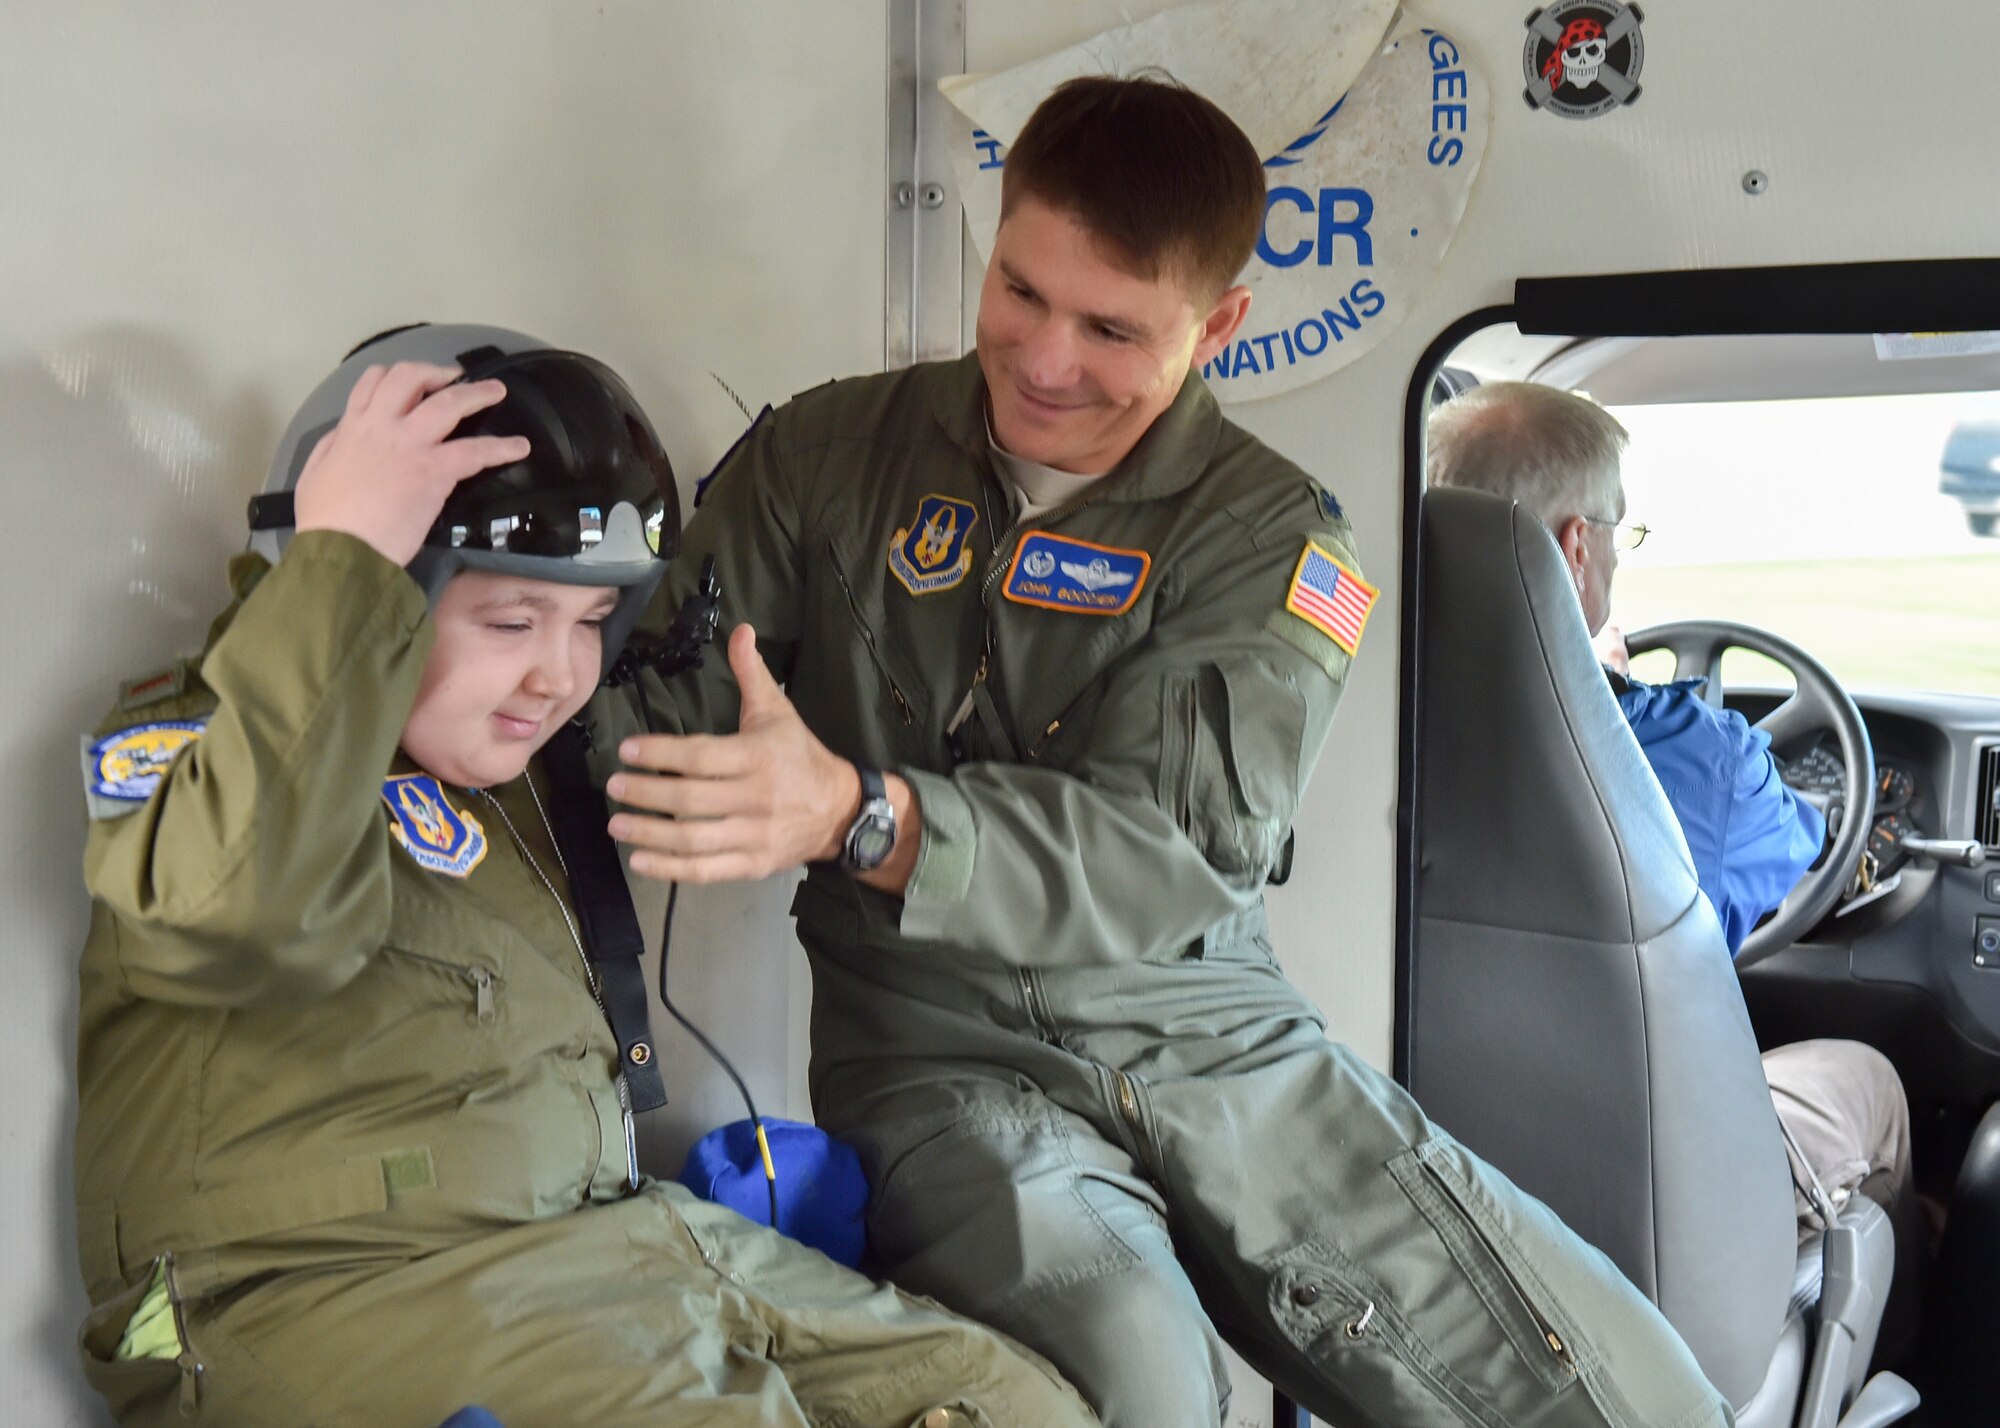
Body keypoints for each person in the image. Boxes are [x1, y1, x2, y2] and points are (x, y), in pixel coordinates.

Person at [604, 78, 1733, 1428]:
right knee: (1146, 1383)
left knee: (1630, 1398)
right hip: (932, 1047)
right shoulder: (823, 460)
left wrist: (859, 813)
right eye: (1021, 290)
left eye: (1111, 328)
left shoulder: (1270, 534)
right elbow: (641, 721)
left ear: (1220, 325)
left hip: (1211, 1033)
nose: (1044, 359)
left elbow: (1168, 860)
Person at [72, 324, 1099, 1428]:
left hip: (607, 1242)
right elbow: (239, 924)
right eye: (511, 618)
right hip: (314, 1290)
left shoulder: (518, 773)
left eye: (593, 622)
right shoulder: (208, 740)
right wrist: (343, 571)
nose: (557, 674)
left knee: (1014, 1407)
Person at [1426, 379, 1913, 1235]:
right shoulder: (1700, 753)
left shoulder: (1371, 725)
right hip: (1642, 1209)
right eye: (1621, 533)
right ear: (1576, 548)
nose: (1618, 554)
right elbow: (1819, 864)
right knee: (1869, 1080)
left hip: (1443, 1177)